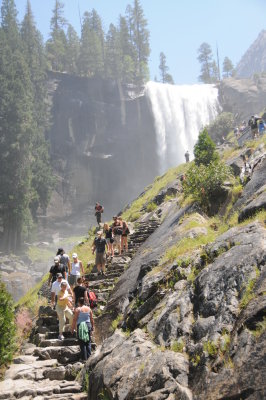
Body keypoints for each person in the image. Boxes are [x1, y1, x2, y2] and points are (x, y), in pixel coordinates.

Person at [71, 297, 94, 361]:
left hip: (81, 326)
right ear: (84, 302)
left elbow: (74, 320)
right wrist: (93, 327)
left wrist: (72, 328)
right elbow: (92, 319)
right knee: (88, 341)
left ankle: (84, 359)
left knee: (82, 342)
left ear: (78, 302)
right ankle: (89, 358)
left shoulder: (78, 309)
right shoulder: (89, 309)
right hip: (88, 325)